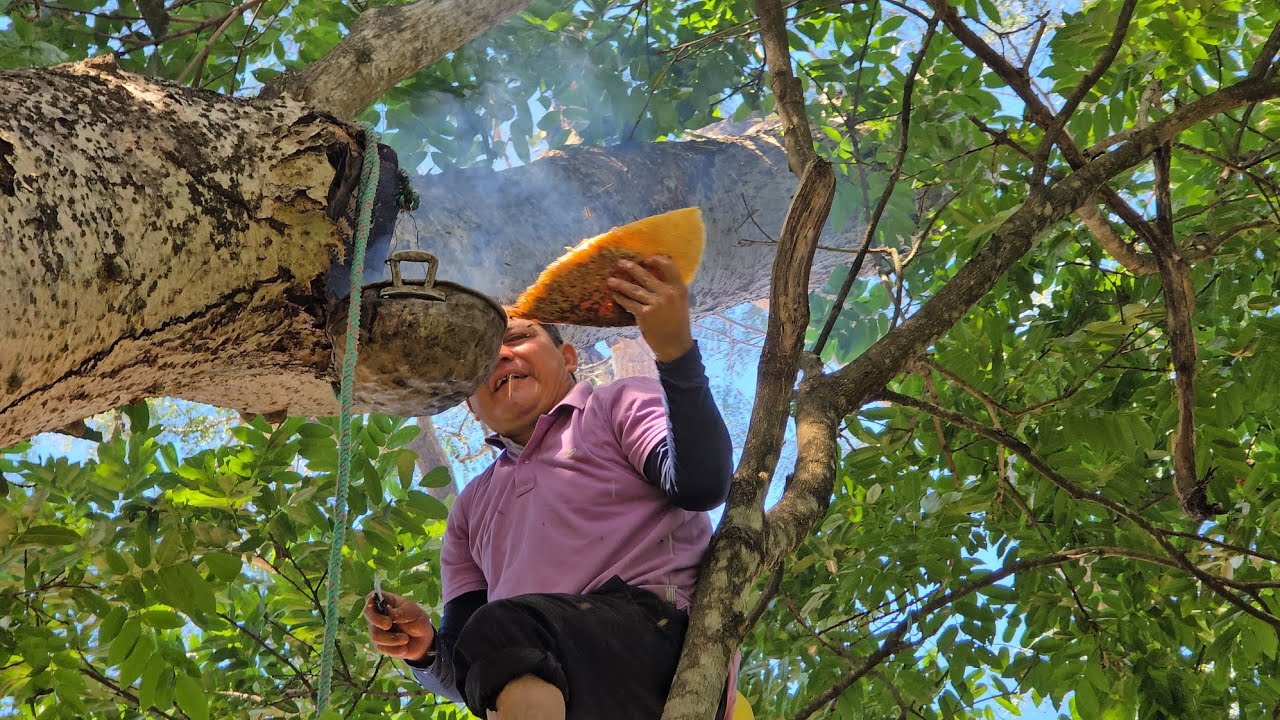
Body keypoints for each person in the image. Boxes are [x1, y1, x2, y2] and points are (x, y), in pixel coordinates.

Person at [365, 255, 735, 720]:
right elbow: (469, 662)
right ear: (471, 406)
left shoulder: (613, 406)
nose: (500, 354)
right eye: (482, 354)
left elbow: (701, 484)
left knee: (503, 628)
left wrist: (677, 356)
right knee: (495, 637)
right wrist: (425, 651)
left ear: (567, 357)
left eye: (518, 337)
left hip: (659, 649)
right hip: (556, 689)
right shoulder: (471, 509)